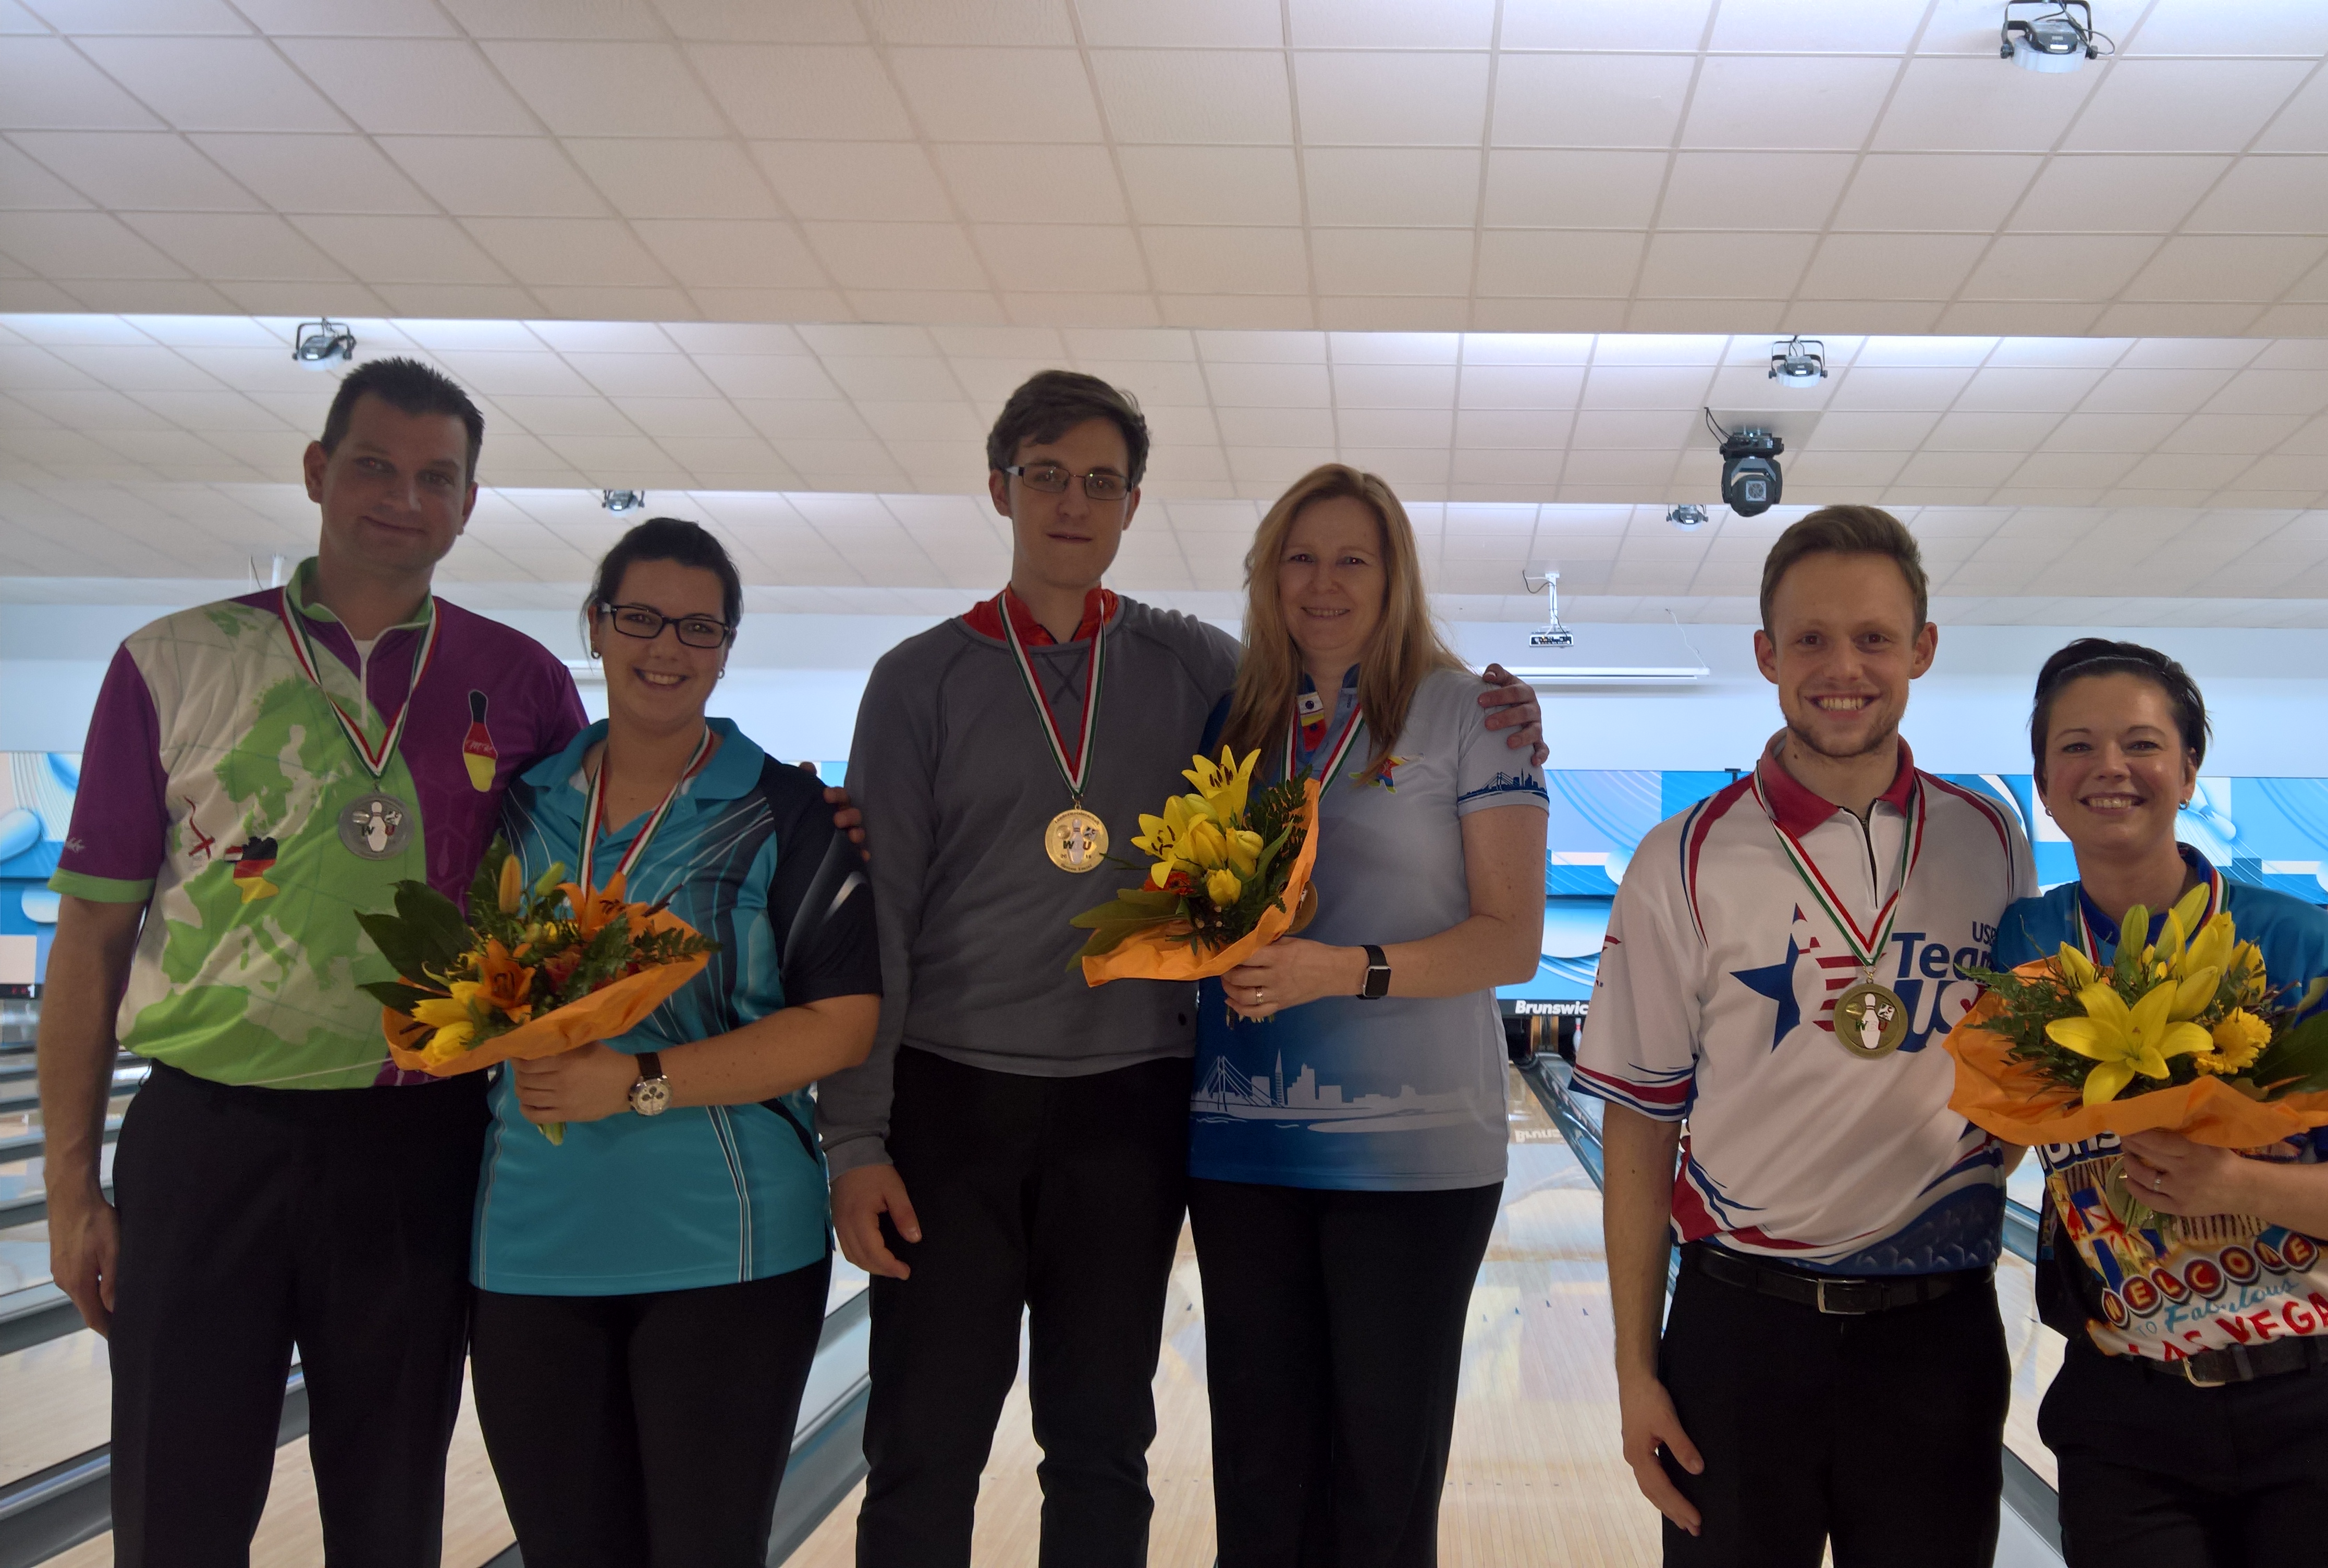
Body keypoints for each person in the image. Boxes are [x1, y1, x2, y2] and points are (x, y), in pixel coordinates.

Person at [820, 372, 1548, 1566]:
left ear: (1132, 503)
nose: (1072, 500)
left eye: (1099, 479)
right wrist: (855, 1137)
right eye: (1046, 474)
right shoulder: (924, 678)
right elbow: (878, 914)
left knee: (1105, 1445)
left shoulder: (1197, 671)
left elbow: (1379, 708)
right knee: (920, 1448)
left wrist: (1502, 709)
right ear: (999, 487)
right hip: (955, 1100)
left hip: (1133, 1103)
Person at [38, 358, 589, 1563]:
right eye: (373, 466)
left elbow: (612, 857)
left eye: (435, 477)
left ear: (469, 502)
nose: (403, 497)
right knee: (176, 1511)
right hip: (206, 1137)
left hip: (418, 1142)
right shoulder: (173, 661)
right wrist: (72, 1186)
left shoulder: (526, 682)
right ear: (315, 474)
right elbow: (92, 935)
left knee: (389, 1512)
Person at [1578, 505, 2035, 1568]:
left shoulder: (1989, 839)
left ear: (1921, 648)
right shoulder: (1680, 857)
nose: (1844, 667)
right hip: (1741, 1335)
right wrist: (1633, 1369)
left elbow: (2021, 1068)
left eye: (1874, 637)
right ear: (1764, 655)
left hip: (1938, 1329)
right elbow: (1640, 1131)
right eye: (1811, 639)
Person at [468, 519, 880, 1567]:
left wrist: (638, 1081)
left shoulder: (785, 809)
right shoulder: (518, 807)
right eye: (641, 618)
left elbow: (842, 1021)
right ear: (597, 628)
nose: (668, 648)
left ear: (727, 646)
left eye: (700, 627)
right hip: (529, 1244)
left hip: (728, 1248)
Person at [1991, 639, 2328, 1568]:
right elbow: (1997, 1127)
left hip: (2327, 1409)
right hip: (2127, 1416)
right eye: (2076, 745)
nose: (2109, 767)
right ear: (2041, 781)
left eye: (2142, 744)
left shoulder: (2299, 944)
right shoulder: (2028, 944)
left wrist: (2236, 1182)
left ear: (2189, 770)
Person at [1188, 465, 1549, 1567]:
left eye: (1353, 558)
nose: (1323, 583)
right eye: (1300, 557)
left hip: (1414, 1156)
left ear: (1394, 575)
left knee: (1379, 1481)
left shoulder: (1469, 712)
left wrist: (1342, 971)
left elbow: (1512, 941)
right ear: (1266, 575)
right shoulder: (1232, 717)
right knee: (1256, 1474)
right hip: (1239, 1144)